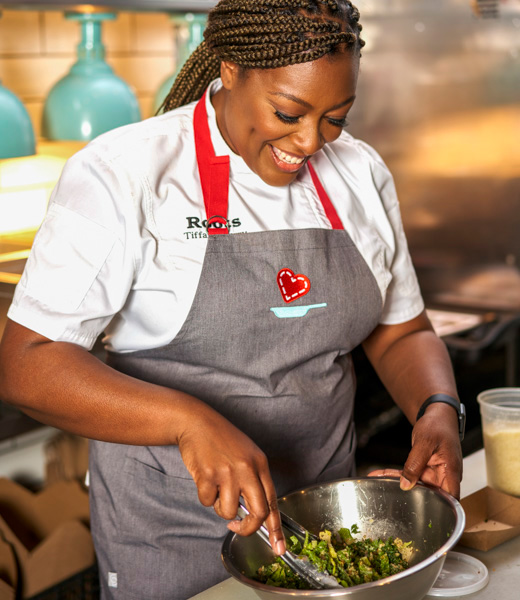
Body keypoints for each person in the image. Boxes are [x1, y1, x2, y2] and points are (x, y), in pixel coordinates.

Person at [0, 1, 464, 599]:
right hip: (172, 536)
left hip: (326, 526)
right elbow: (26, 364)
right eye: (288, 112)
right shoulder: (123, 174)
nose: (309, 141)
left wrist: (437, 406)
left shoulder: (361, 172)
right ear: (231, 69)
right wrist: (187, 422)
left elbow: (402, 330)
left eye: (335, 119)